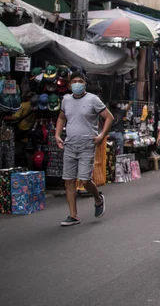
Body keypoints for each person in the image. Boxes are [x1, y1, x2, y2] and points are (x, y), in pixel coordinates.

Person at [55, 72, 114, 226]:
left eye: (80, 81)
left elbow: (109, 117)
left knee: (85, 180)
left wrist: (101, 136)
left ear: (85, 84)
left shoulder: (93, 99)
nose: (77, 84)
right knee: (68, 180)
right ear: (69, 85)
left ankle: (98, 199)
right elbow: (62, 117)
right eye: (74, 81)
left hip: (87, 144)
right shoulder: (66, 100)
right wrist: (57, 135)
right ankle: (73, 216)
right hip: (70, 144)